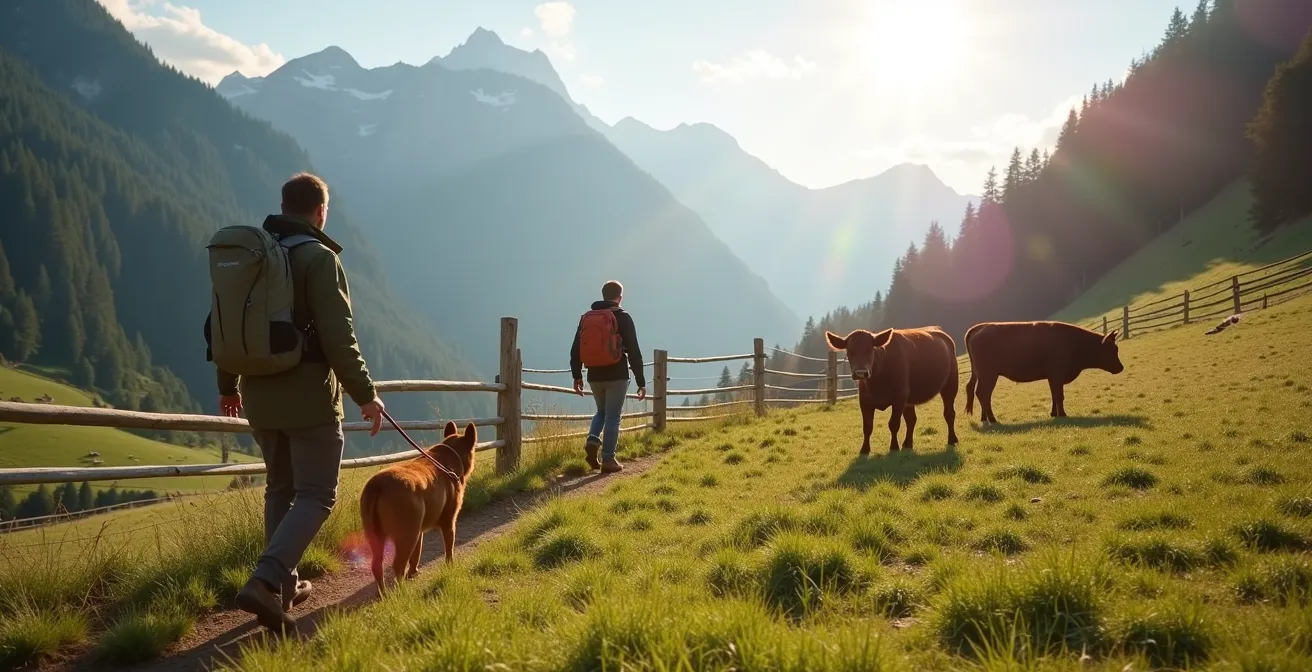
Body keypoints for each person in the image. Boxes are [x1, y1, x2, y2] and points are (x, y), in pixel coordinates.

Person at [216, 172, 385, 632]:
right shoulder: (318, 258)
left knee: (281, 489)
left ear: (283, 205)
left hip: (257, 394)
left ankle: (283, 587)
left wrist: (227, 384)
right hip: (308, 396)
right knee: (317, 493)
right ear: (320, 212)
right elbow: (337, 336)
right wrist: (366, 395)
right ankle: (266, 580)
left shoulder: (253, 258)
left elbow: (226, 323)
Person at [571, 280, 646, 473]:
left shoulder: (587, 317)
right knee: (613, 416)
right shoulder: (623, 317)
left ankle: (592, 439)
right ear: (620, 297)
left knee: (601, 412)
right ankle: (608, 460)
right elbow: (634, 351)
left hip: (594, 374)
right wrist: (641, 381)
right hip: (617, 375)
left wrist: (577, 375)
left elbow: (576, 349)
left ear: (603, 295)